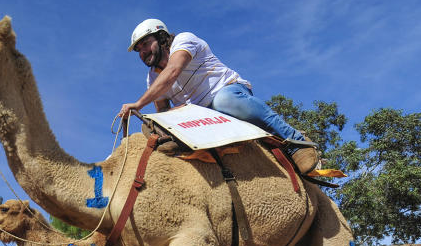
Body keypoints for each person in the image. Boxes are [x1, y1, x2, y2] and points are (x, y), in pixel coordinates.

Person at [118, 19, 312, 165]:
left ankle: (297, 141)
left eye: (145, 44)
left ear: (161, 38)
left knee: (223, 101)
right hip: (204, 119)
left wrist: (138, 104)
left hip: (228, 92)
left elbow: (173, 71)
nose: (142, 51)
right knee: (156, 128)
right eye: (138, 50)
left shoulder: (184, 41)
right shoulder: (152, 77)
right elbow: (162, 113)